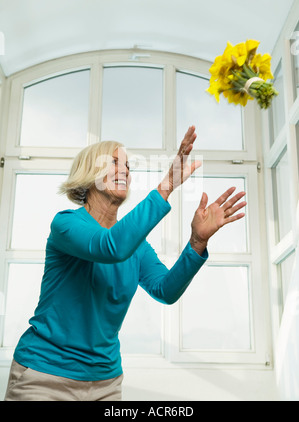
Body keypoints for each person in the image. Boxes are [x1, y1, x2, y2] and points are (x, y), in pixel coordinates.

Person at [4, 126, 246, 401]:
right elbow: (110, 247)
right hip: (44, 376)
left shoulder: (136, 247)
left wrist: (196, 242)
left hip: (106, 382)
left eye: (128, 165)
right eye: (114, 162)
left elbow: (165, 290)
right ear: (89, 173)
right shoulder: (66, 224)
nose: (126, 170)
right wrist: (167, 184)